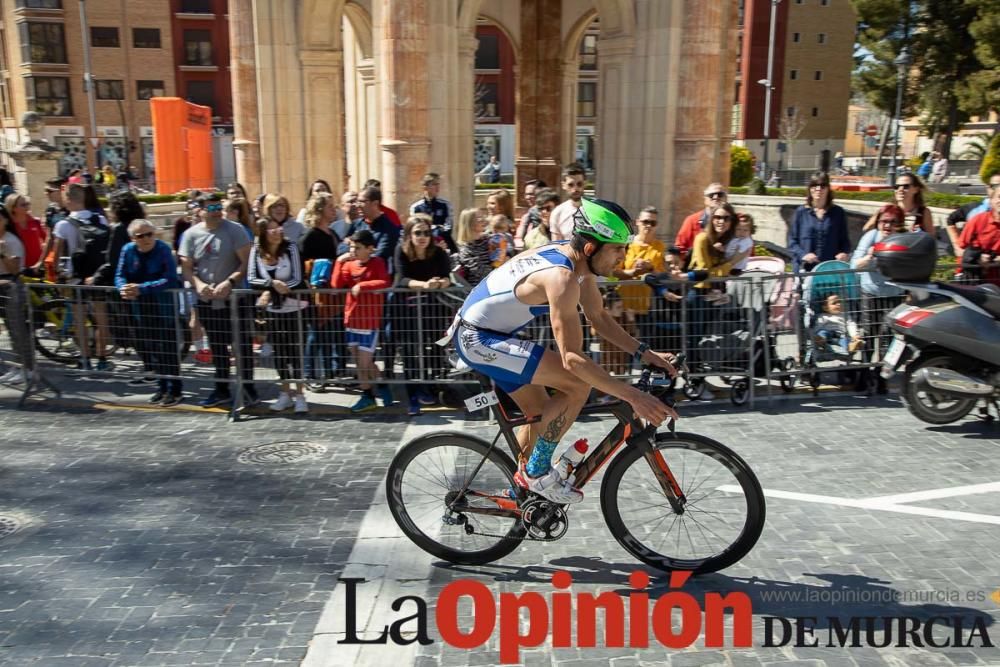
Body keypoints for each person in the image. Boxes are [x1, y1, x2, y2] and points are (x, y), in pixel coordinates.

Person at [447, 197, 676, 504]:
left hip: (491, 333)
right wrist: (634, 396)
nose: (623, 257)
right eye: (617, 249)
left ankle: (522, 497)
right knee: (577, 383)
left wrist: (647, 354)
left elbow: (600, 318)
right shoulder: (563, 277)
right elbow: (572, 360)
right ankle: (537, 473)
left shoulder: (579, 266)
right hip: (477, 338)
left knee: (541, 415)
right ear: (591, 248)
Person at [178, 193, 258, 408]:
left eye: (218, 207)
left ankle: (248, 388)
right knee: (217, 345)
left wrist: (230, 282)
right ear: (200, 210)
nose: (216, 212)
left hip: (234, 299)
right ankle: (221, 388)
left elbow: (246, 261)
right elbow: (186, 267)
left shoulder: (236, 230)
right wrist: (198, 285)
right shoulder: (191, 235)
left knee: (241, 345)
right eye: (210, 208)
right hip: (207, 299)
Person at [115, 219, 183, 405]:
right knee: (152, 347)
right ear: (133, 238)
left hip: (163, 305)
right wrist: (123, 287)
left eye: (149, 234)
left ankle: (174, 389)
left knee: (168, 349)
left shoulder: (162, 249)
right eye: (140, 236)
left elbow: (169, 279)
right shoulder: (127, 251)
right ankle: (161, 387)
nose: (146, 239)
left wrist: (142, 288)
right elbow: (120, 274)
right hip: (140, 306)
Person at [248, 218, 310, 414]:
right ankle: (285, 393)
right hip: (273, 310)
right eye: (271, 229)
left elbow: (297, 279)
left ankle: (300, 395)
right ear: (263, 233)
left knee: (295, 352)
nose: (276, 231)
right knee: (280, 353)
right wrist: (272, 285)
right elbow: (252, 278)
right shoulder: (256, 250)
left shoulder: (290, 247)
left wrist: (275, 289)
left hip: (294, 307)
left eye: (278, 227)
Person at [393, 215, 452, 416]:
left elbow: (447, 277)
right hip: (406, 309)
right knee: (409, 350)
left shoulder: (439, 253)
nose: (423, 237)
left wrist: (441, 282)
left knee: (436, 346)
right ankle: (412, 394)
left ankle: (431, 386)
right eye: (418, 232)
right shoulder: (401, 251)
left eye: (427, 232)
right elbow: (401, 279)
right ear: (409, 234)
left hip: (433, 309)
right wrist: (424, 285)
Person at [51, 182, 113, 370]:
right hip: (97, 276)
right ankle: (102, 358)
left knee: (80, 319)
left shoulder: (63, 224)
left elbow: (56, 254)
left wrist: (57, 274)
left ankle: (85, 359)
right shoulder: (100, 219)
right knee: (102, 318)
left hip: (76, 277)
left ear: (67, 199)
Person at [331, 229, 393, 412]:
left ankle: (372, 392)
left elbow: (384, 282)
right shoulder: (349, 265)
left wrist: (362, 285)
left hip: (369, 323)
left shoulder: (377, 263)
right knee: (361, 361)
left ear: (369, 249)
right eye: (351, 247)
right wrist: (339, 262)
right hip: (352, 320)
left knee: (363, 363)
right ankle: (375, 390)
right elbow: (336, 285)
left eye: (357, 248)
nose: (353, 251)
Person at [851, 203, 906, 394]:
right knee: (868, 335)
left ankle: (880, 376)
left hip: (894, 293)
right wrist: (869, 256)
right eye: (884, 221)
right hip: (871, 291)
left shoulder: (903, 239)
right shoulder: (870, 237)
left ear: (899, 224)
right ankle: (864, 374)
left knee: (887, 337)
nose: (887, 226)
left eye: (892, 222)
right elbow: (854, 265)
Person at [300, 192, 345, 385]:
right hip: (316, 293)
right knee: (316, 334)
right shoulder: (310, 236)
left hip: (331, 294)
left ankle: (328, 373)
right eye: (330, 206)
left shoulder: (332, 233)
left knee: (328, 334)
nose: (333, 210)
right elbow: (301, 262)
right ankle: (310, 374)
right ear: (319, 210)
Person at [612, 206, 665, 358]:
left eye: (653, 223)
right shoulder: (626, 244)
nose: (648, 225)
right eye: (645, 221)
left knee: (644, 352)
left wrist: (650, 267)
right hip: (623, 305)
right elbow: (614, 271)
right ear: (638, 222)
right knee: (622, 351)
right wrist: (632, 272)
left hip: (645, 306)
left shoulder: (659, 246)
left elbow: (661, 274)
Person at [788, 172, 851, 272]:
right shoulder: (800, 212)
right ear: (809, 188)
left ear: (828, 189)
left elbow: (845, 242)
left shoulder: (838, 213)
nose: (818, 189)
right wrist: (803, 255)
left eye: (822, 186)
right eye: (814, 185)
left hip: (829, 271)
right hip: (805, 270)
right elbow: (792, 242)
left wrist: (844, 253)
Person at [863, 172, 934, 235]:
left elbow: (931, 238)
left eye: (906, 186)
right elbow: (866, 230)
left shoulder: (924, 212)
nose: (900, 190)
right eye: (897, 187)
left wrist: (919, 233)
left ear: (916, 189)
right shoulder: (887, 210)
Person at [946, 174, 1000, 255]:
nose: (998, 188)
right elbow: (950, 220)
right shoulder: (974, 209)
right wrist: (956, 244)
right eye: (995, 186)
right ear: (988, 188)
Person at [674, 183, 728, 263]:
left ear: (725, 198)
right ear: (705, 199)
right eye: (711, 195)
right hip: (697, 269)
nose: (715, 197)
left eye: (720, 194)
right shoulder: (692, 220)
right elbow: (680, 247)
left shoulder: (733, 221)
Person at [958, 184, 1000, 285]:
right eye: (999, 197)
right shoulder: (978, 220)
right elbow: (960, 250)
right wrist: (977, 257)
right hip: (977, 281)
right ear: (991, 201)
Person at [408, 172, 456, 253]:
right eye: (434, 184)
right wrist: (437, 227)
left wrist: (435, 231)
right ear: (425, 187)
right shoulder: (416, 207)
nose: (437, 187)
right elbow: (416, 227)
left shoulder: (445, 205)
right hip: (423, 246)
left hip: (443, 243)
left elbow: (448, 227)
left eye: (438, 184)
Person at [4, 193, 45, 275]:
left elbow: (46, 240)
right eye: (23, 205)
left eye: (27, 204)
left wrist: (42, 260)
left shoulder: (35, 221)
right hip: (19, 269)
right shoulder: (9, 226)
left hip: (38, 267)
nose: (27, 207)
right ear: (13, 208)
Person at [452, 207, 492, 286]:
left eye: (483, 217)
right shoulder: (465, 251)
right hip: (480, 290)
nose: (484, 220)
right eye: (479, 218)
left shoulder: (490, 239)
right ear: (470, 223)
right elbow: (483, 273)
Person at [549, 163, 586, 241]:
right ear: (563, 185)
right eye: (570, 185)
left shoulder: (597, 210)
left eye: (579, 184)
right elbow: (556, 246)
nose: (575, 189)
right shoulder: (557, 213)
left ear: (584, 184)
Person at [515, 178, 546, 250]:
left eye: (531, 194)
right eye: (526, 194)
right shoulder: (526, 216)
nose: (528, 197)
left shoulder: (555, 213)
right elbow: (520, 237)